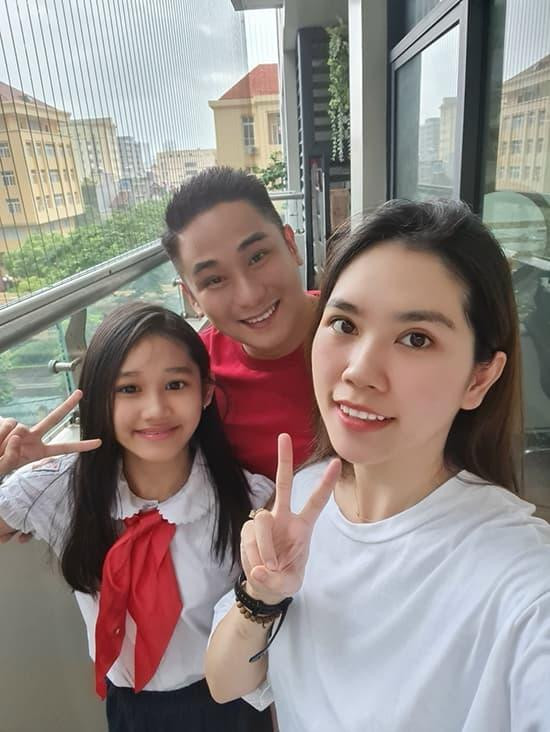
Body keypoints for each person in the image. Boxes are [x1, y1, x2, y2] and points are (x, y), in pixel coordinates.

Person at [205, 199, 550, 731]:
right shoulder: (302, 501)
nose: (360, 371)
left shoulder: (522, 581)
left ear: (479, 378)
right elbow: (225, 683)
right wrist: (262, 595)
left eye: (416, 339)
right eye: (344, 323)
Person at [0, 303, 274, 732]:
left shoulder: (251, 500)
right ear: (98, 398)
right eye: (128, 389)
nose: (155, 409)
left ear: (205, 392)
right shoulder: (60, 488)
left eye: (175, 384)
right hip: (127, 707)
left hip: (228, 700)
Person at [162, 167, 318, 479]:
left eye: (258, 257)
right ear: (191, 297)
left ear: (291, 245)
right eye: (214, 280)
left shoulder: (367, 330)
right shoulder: (192, 375)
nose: (249, 296)